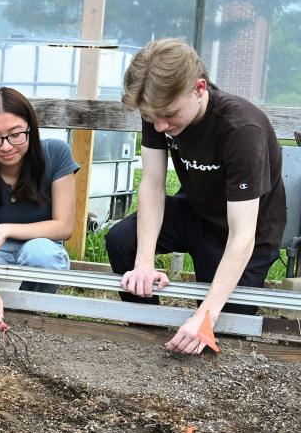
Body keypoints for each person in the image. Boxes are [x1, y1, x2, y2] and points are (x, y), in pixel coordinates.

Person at [105, 38, 286, 355]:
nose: (160, 125)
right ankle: (149, 331)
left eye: (169, 115)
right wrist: (144, 262)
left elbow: (243, 236)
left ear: (199, 88)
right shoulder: (158, 113)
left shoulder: (241, 129)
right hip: (195, 210)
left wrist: (206, 313)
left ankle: (201, 328)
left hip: (247, 232)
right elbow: (152, 184)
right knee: (122, 240)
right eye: (152, 117)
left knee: (222, 330)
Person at [0, 87, 79, 327]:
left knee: (42, 255)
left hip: (41, 243)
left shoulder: (55, 154)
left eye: (15, 134)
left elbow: (64, 226)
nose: (5, 146)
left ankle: (30, 316)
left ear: (30, 128)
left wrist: (3, 229)